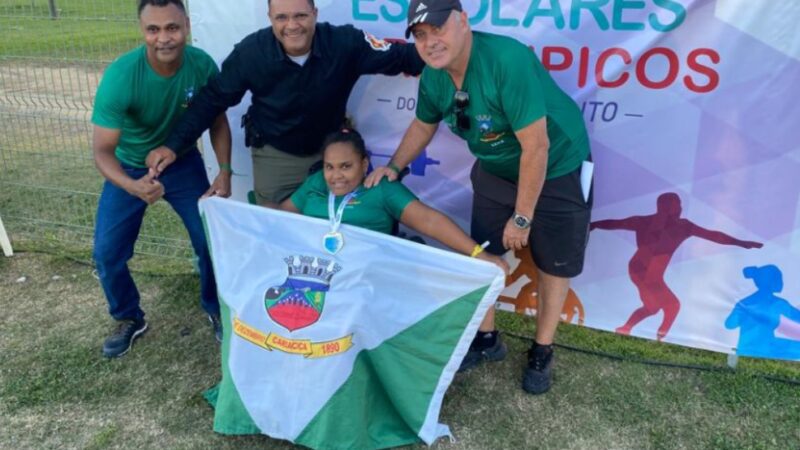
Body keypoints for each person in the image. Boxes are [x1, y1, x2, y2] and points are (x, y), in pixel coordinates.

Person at [365, 0, 593, 394]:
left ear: (464, 21)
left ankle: (543, 348)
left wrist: (522, 217)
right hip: (496, 167)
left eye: (438, 28)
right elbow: (423, 124)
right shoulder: (435, 75)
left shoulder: (506, 59)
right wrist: (394, 167)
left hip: (557, 164)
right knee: (480, 252)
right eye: (420, 35)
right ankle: (487, 339)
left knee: (554, 263)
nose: (430, 42)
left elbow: (536, 147)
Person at [147, 0, 424, 205]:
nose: (292, 26)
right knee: (276, 231)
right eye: (281, 17)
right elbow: (212, 99)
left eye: (300, 15)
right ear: (270, 17)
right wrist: (174, 145)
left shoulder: (345, 42)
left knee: (343, 221)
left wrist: (456, 51)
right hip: (276, 153)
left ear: (314, 14)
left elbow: (404, 57)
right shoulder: (251, 53)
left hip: (333, 152)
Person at [91, 0, 232, 358]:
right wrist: (131, 185)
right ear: (142, 31)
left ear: (186, 24)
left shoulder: (201, 65)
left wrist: (226, 171)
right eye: (153, 30)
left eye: (172, 28)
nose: (164, 38)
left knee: (209, 241)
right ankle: (128, 317)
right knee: (107, 253)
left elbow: (217, 122)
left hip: (183, 164)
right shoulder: (122, 76)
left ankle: (215, 307)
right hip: (130, 167)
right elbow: (102, 151)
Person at [276, 128, 509, 275]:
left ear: (364, 164)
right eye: (330, 167)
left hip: (361, 278)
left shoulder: (381, 189)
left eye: (346, 166)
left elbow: (430, 221)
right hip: (310, 273)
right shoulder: (317, 183)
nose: (336, 176)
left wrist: (480, 254)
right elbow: (279, 217)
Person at [591, 192, 763, 340]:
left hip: (648, 271)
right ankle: (659, 337)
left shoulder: (683, 226)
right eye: (676, 205)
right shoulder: (644, 222)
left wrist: (740, 243)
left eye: (680, 205)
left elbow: (713, 235)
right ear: (664, 207)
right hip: (641, 269)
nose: (680, 208)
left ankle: (626, 328)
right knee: (672, 305)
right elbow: (615, 223)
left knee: (652, 307)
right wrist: (594, 224)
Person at [725, 265, 800, 359]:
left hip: (744, 348)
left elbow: (729, 324)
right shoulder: (778, 303)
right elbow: (797, 317)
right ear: (772, 282)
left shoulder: (745, 302)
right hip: (764, 349)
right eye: (779, 278)